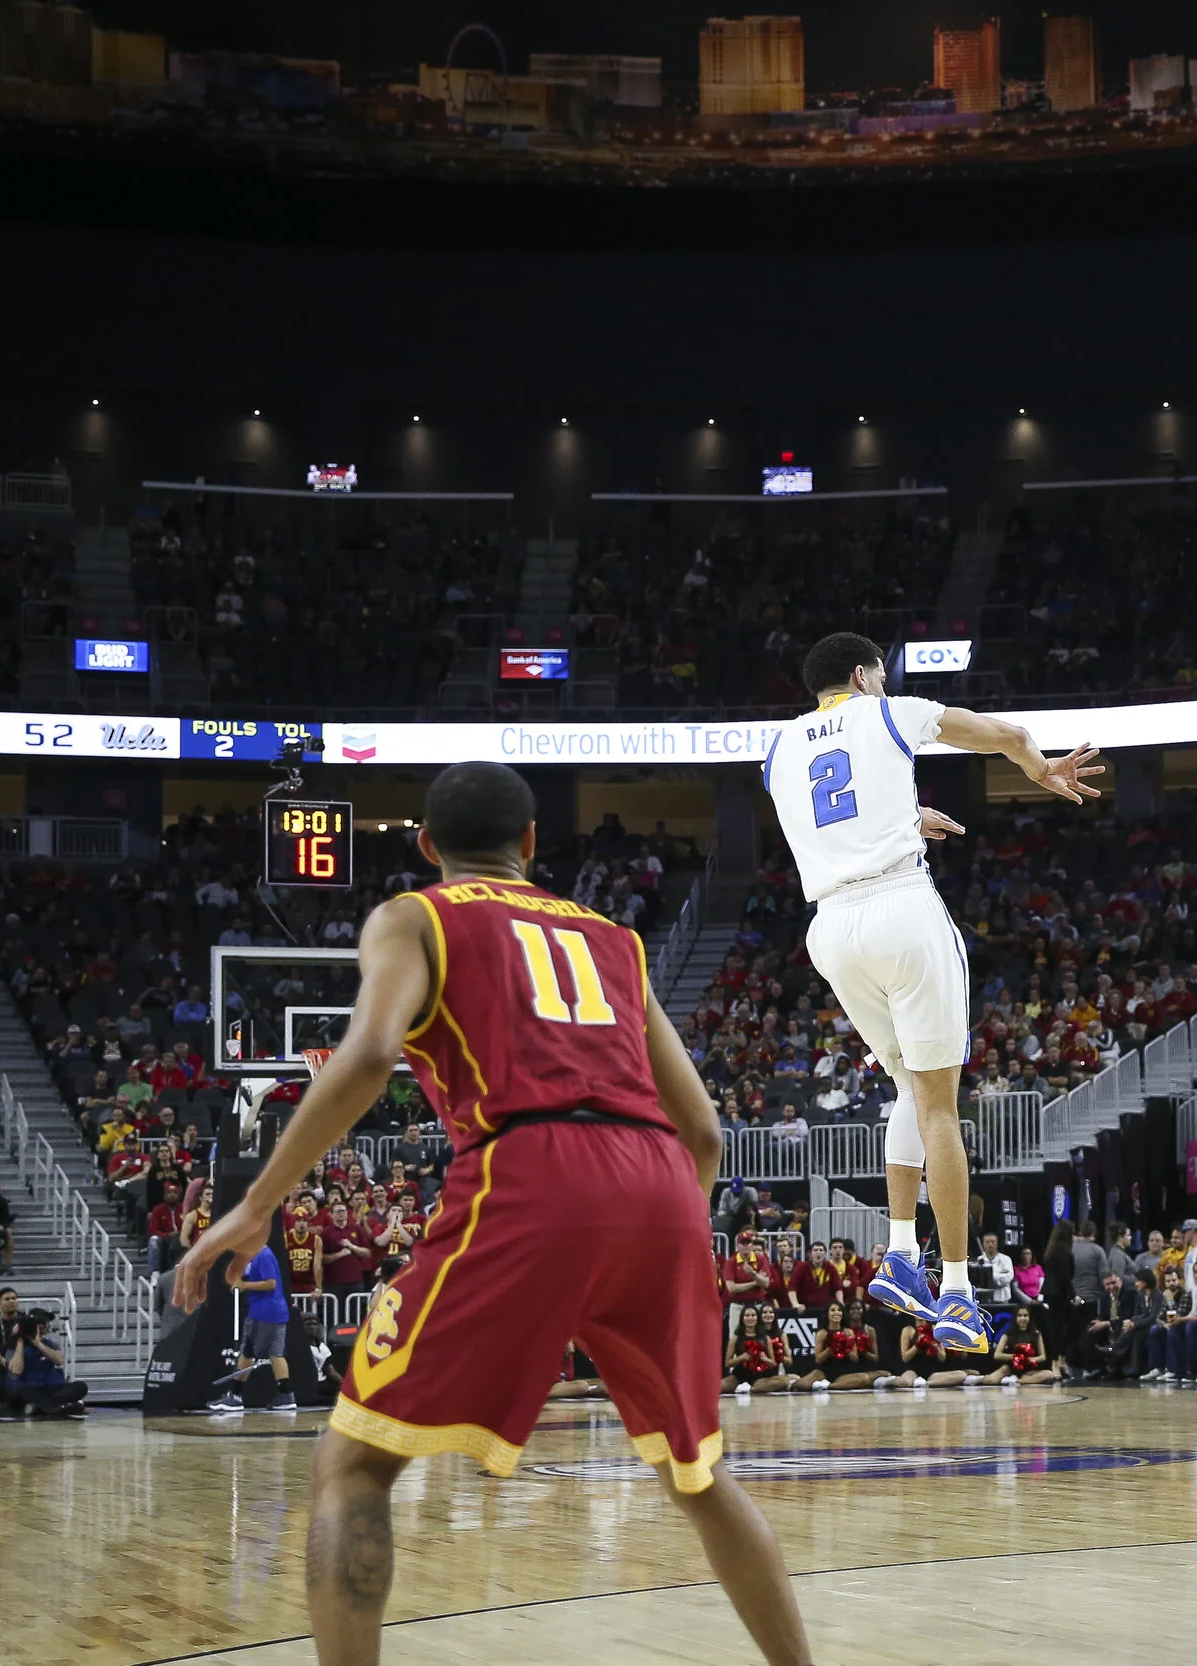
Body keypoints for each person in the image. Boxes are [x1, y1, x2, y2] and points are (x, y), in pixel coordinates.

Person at [171, 761, 811, 1666]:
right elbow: (703, 1129)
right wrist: (648, 1235)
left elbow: (365, 1058)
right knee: (697, 1473)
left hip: (533, 1166)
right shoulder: (614, 939)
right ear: (533, 844)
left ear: (427, 847)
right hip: (662, 1183)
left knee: (354, 1464)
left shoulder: (416, 916)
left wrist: (255, 1204)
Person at [760, 632, 1102, 1353]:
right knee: (941, 1104)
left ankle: (899, 1254)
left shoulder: (780, 749)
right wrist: (1038, 769)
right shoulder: (891, 710)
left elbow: (831, 814)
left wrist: (902, 816)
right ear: (862, 675)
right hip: (900, 909)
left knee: (908, 1091)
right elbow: (1005, 734)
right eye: (880, 678)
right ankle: (955, 1291)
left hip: (831, 930)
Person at [208, 1237, 296, 1414]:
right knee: (275, 1354)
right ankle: (286, 1396)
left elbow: (271, 1283)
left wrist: (244, 1285)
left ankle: (235, 1396)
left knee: (247, 1352)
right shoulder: (257, 1256)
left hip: (263, 1312)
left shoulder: (263, 1255)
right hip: (275, 1311)